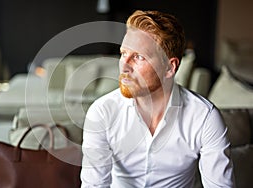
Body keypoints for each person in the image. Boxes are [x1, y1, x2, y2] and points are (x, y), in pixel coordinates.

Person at [80, 10, 234, 187]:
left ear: (169, 67)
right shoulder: (102, 112)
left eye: (138, 57)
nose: (124, 66)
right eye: (123, 54)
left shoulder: (204, 117)